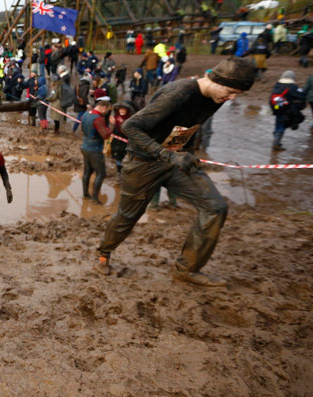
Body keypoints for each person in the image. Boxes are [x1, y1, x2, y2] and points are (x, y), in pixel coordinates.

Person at [94, 57, 256, 287]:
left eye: (237, 94)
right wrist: (168, 154)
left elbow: (185, 125)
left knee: (215, 207)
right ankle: (104, 253)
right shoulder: (179, 92)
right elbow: (131, 127)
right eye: (231, 91)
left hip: (175, 160)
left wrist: (184, 151)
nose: (232, 98)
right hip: (143, 163)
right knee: (128, 216)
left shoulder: (216, 97)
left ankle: (187, 268)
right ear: (214, 80)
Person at [80, 96, 113, 203]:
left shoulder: (86, 114)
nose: (106, 113)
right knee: (101, 173)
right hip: (95, 149)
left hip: (85, 145)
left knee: (87, 171)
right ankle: (95, 198)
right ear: (103, 107)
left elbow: (82, 129)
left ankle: (85, 194)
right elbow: (105, 135)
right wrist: (112, 125)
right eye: (106, 110)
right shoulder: (99, 119)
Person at [270, 71, 306, 151]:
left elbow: (271, 98)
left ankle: (276, 137)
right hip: (286, 109)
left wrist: (274, 109)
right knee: (283, 124)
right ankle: (276, 143)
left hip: (277, 107)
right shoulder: (292, 87)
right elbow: (301, 97)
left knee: (278, 123)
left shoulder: (277, 85)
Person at [110, 103, 134, 180]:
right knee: (116, 154)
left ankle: (124, 171)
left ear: (127, 110)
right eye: (120, 109)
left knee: (125, 154)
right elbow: (111, 127)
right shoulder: (115, 116)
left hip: (125, 139)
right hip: (116, 138)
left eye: (124, 109)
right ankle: (119, 171)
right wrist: (112, 124)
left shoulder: (130, 119)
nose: (122, 111)